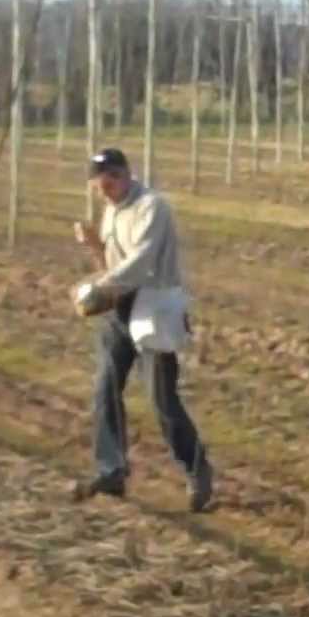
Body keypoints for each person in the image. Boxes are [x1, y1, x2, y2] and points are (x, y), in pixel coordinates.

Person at [71, 147, 214, 512]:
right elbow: (112, 263)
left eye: (112, 181)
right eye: (100, 186)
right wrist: (94, 248)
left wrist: (98, 289)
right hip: (119, 308)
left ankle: (197, 469)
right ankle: (111, 470)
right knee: (105, 387)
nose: (106, 191)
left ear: (126, 174)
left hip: (153, 308)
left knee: (161, 398)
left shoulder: (153, 207)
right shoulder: (110, 210)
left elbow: (140, 263)